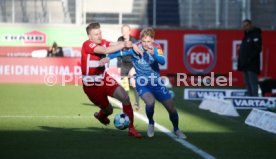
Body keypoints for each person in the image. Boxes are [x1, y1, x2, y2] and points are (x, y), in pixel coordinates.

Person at [108, 28, 186, 139]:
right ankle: (151, 123)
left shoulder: (156, 47)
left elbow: (162, 61)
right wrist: (107, 58)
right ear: (140, 40)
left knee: (171, 108)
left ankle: (176, 129)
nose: (146, 44)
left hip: (157, 83)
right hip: (142, 82)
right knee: (150, 102)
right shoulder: (135, 48)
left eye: (148, 41)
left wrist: (153, 53)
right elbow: (119, 53)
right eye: (144, 41)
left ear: (153, 40)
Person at [81, 22, 142, 138]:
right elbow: (105, 51)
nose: (99, 36)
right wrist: (124, 44)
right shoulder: (87, 45)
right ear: (89, 36)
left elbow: (115, 43)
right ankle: (101, 115)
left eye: (100, 33)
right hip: (92, 88)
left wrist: (131, 44)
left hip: (104, 79)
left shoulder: (102, 41)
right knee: (109, 110)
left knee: (124, 97)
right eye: (95, 34)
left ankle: (132, 129)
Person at [117, 24, 140, 110]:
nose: (124, 33)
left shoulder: (134, 41)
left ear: (129, 32)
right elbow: (118, 53)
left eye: (126, 31)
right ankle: (126, 104)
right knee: (124, 86)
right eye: (123, 31)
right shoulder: (119, 40)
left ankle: (137, 103)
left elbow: (138, 54)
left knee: (133, 84)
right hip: (124, 65)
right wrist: (119, 65)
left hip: (133, 65)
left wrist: (135, 67)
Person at [238, 19, 262, 96]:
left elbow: (258, 49)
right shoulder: (246, 36)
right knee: (247, 82)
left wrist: (250, 58)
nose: (245, 27)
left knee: (253, 83)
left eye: (246, 25)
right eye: (244, 26)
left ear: (250, 25)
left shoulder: (255, 35)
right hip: (245, 64)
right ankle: (249, 98)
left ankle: (255, 99)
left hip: (252, 64)